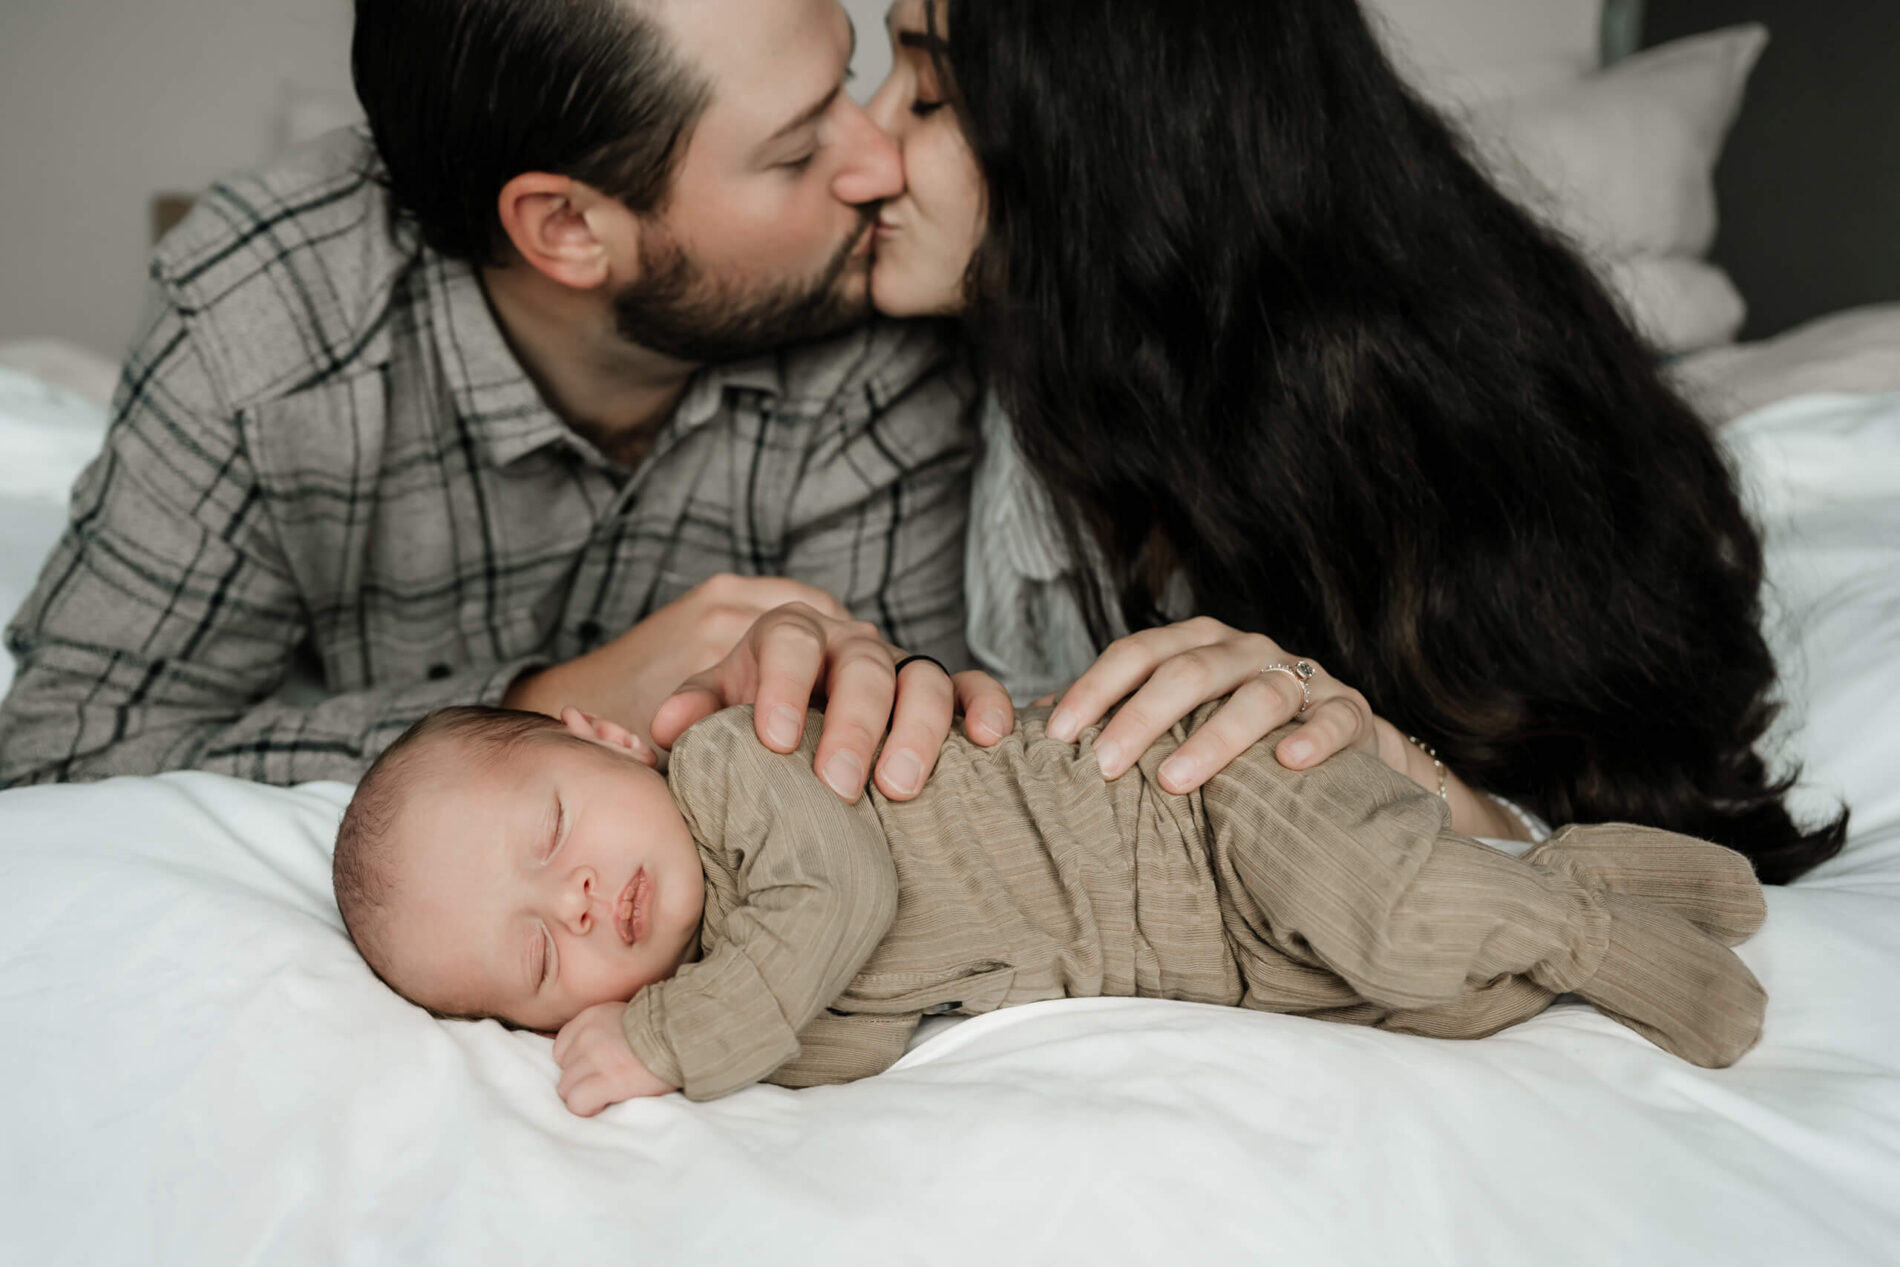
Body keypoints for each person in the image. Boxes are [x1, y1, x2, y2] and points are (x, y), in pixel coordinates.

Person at [860, 0, 1848, 882]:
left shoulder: (1406, 435)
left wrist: (1373, 750)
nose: (865, 146)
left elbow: (1658, 826)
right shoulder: (1014, 372)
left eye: (930, 95)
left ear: (1103, 141)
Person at [0, 0, 1016, 805]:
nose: (881, 165)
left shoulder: (875, 314)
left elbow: (889, 775)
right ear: (568, 226)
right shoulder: (261, 327)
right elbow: (58, 763)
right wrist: (542, 705)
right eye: (798, 150)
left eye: (846, 76)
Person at [331, 700, 1768, 1113]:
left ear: (606, 735)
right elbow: (845, 1029)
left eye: (556, 828)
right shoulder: (762, 1004)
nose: (579, 896)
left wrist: (665, 1036)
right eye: (538, 951)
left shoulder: (733, 766)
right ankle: (1584, 876)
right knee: (1445, 997)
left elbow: (837, 898)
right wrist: (704, 1026)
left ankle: (1609, 937)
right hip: (1206, 941)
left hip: (1207, 801)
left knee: (1402, 924)